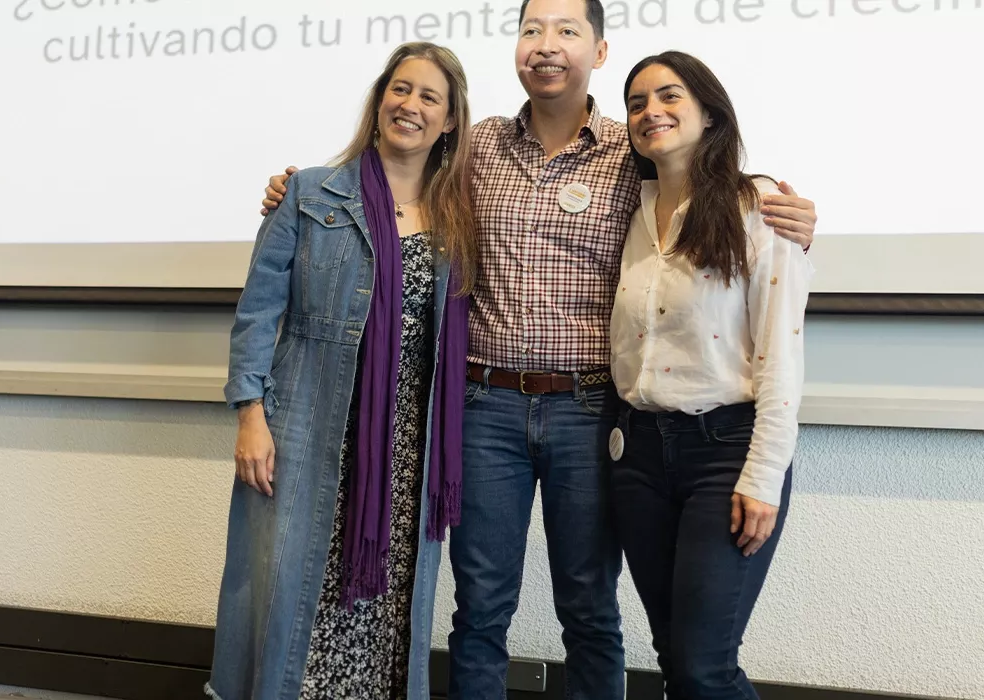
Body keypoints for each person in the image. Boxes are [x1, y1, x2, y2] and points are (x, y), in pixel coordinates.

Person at [261, 2, 819, 697]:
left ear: (599, 50)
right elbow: (394, 168)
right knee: (481, 606)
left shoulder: (634, 153)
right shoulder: (475, 147)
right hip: (483, 405)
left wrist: (795, 217)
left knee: (588, 605)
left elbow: (707, 205)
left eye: (566, 32)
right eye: (532, 31)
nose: (546, 46)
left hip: (589, 411)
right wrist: (300, 191)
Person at [209, 41, 477, 700]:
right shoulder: (307, 193)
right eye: (400, 89)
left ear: (449, 122)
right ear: (380, 97)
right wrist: (250, 414)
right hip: (305, 429)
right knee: (286, 598)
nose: (409, 105)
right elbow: (257, 313)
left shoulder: (459, 218)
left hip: (406, 451)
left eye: (428, 98)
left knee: (384, 613)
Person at [607, 50, 812, 699]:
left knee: (704, 665)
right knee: (676, 658)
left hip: (725, 454)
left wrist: (763, 476)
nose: (650, 112)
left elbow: (782, 354)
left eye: (668, 96)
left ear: (709, 112)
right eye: (636, 102)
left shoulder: (761, 208)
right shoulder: (630, 214)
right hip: (637, 456)